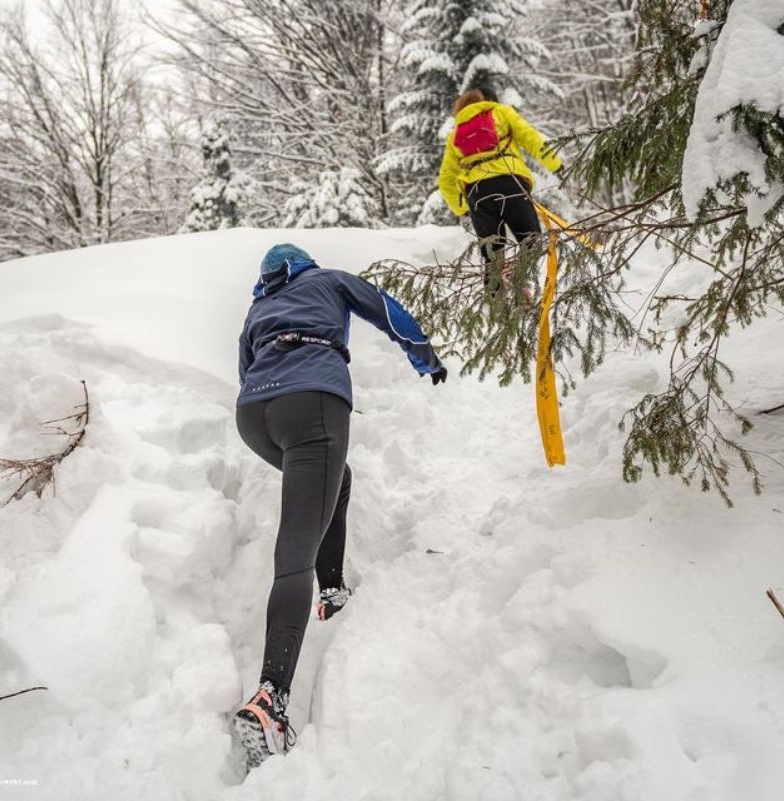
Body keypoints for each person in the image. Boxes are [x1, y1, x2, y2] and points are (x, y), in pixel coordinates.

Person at [232, 243, 447, 769]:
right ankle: (270, 697)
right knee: (294, 551)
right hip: (313, 403)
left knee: (335, 481)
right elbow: (385, 309)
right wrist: (425, 356)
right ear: (304, 265)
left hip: (256, 416)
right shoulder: (328, 280)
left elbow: (245, 368)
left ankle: (331, 589)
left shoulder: (258, 310)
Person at [436, 86, 562, 292]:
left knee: (491, 254)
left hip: (478, 193)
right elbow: (531, 138)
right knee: (531, 241)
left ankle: (496, 303)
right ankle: (519, 282)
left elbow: (445, 180)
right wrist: (555, 164)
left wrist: (463, 209)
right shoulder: (501, 112)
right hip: (510, 183)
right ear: (482, 100)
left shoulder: (455, 134)